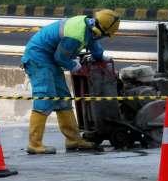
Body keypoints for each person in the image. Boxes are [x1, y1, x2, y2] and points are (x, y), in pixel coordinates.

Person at [22, 9, 120, 154]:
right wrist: (74, 65)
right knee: (45, 97)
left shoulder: (89, 26)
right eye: (105, 35)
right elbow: (60, 58)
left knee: (64, 99)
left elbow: (93, 45)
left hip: (49, 59)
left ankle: (73, 140)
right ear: (100, 30)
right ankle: (34, 144)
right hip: (38, 58)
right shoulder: (75, 34)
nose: (103, 38)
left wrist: (101, 57)